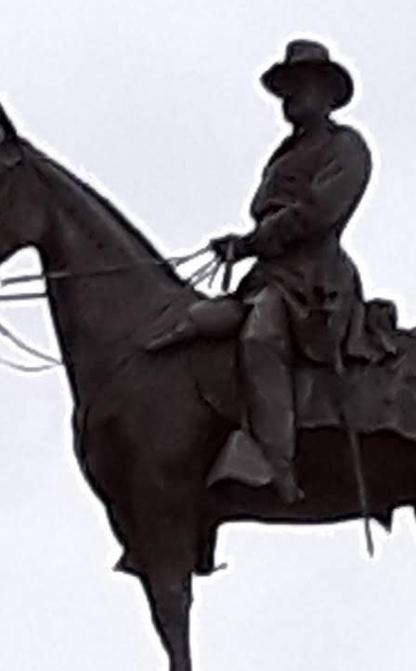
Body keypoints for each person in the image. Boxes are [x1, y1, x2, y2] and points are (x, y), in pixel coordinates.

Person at [152, 39, 382, 498]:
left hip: (313, 281)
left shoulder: (346, 147)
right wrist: (244, 246)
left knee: (261, 338)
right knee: (194, 324)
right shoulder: (282, 155)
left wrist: (251, 242)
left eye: (301, 87)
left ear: (325, 92)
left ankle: (273, 462)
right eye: (287, 89)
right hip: (270, 277)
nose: (291, 98)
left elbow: (317, 212)